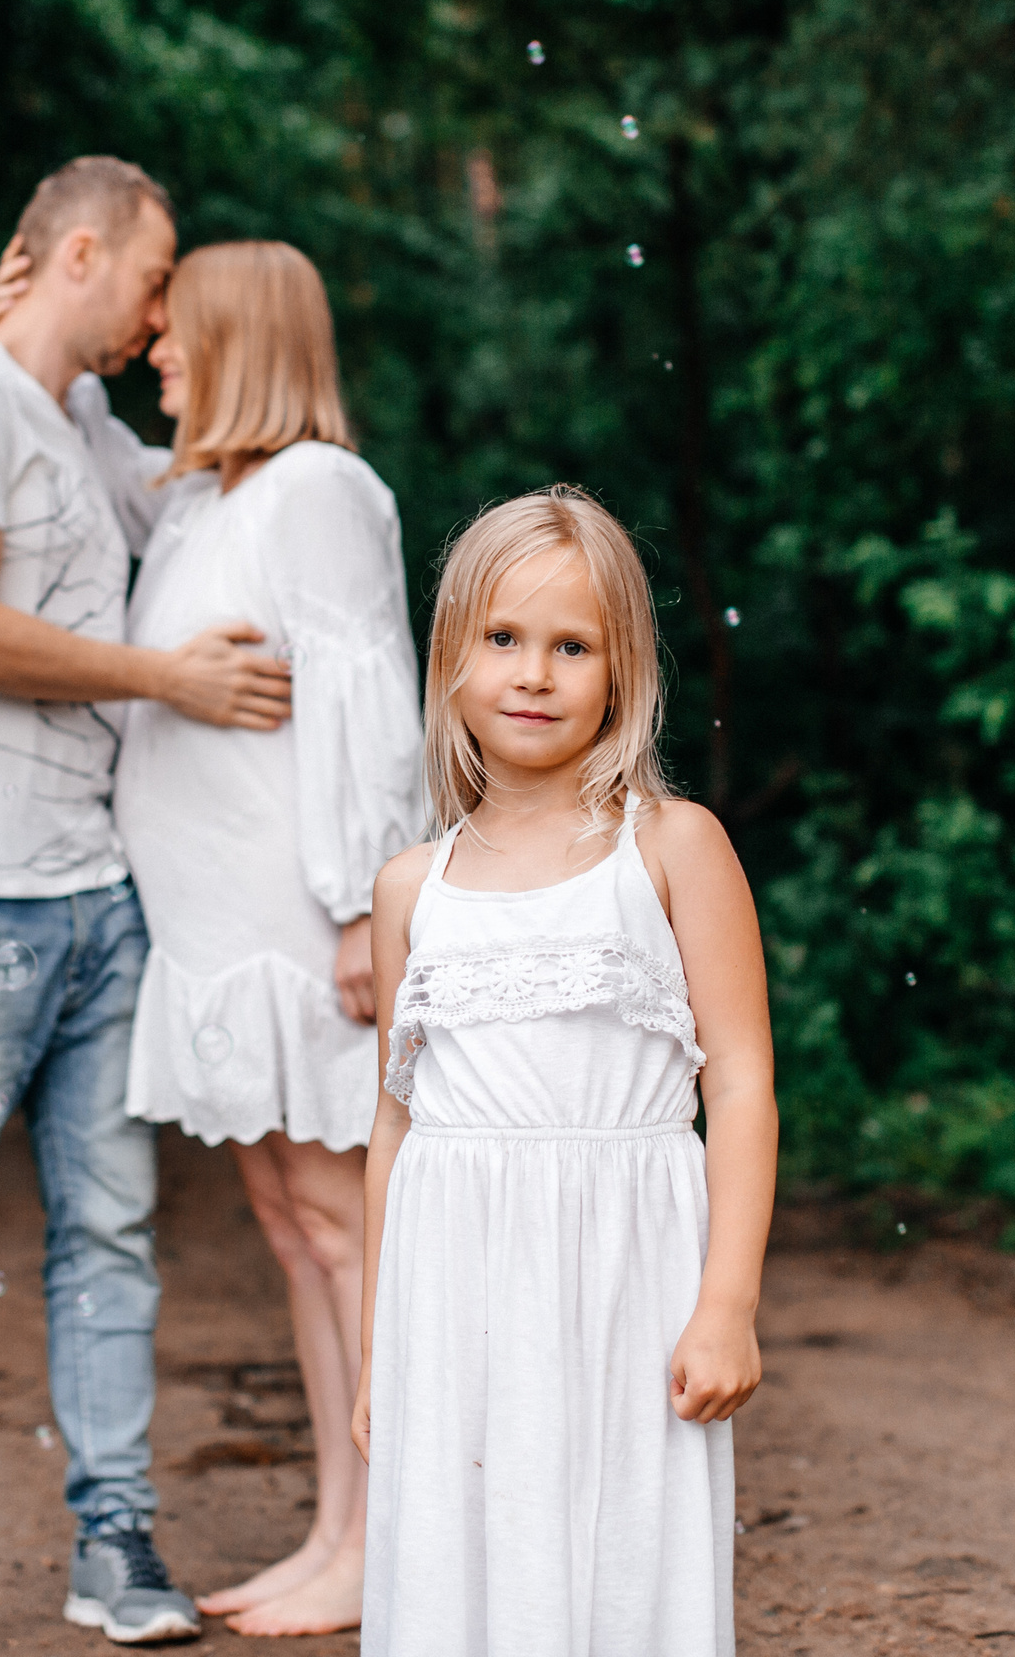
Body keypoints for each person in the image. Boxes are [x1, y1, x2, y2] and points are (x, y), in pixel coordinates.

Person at [0, 155, 292, 1657]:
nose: (164, 314)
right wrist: (168, 682)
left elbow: (195, 501)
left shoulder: (75, 421)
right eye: (155, 280)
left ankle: (114, 1541)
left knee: (112, 1235)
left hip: (97, 898)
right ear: (80, 254)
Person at [350, 488, 780, 1657]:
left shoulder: (672, 848)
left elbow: (740, 1083)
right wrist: (379, 1349)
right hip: (453, 1290)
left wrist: (727, 1305)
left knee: (617, 1552)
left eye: (571, 646)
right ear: (451, 658)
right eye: (502, 638)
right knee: (459, 1560)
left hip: (625, 1277)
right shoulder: (410, 889)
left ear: (622, 669)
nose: (532, 674)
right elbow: (393, 1127)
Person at [115, 241, 422, 1636]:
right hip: (214, 926)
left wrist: (365, 904)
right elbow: (78, 440)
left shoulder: (319, 491)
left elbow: (368, 698)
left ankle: (392, 1543)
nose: (154, 351)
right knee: (297, 1232)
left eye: (176, 331)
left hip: (302, 921)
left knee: (348, 1229)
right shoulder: (198, 499)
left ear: (243, 339)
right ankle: (336, 1529)